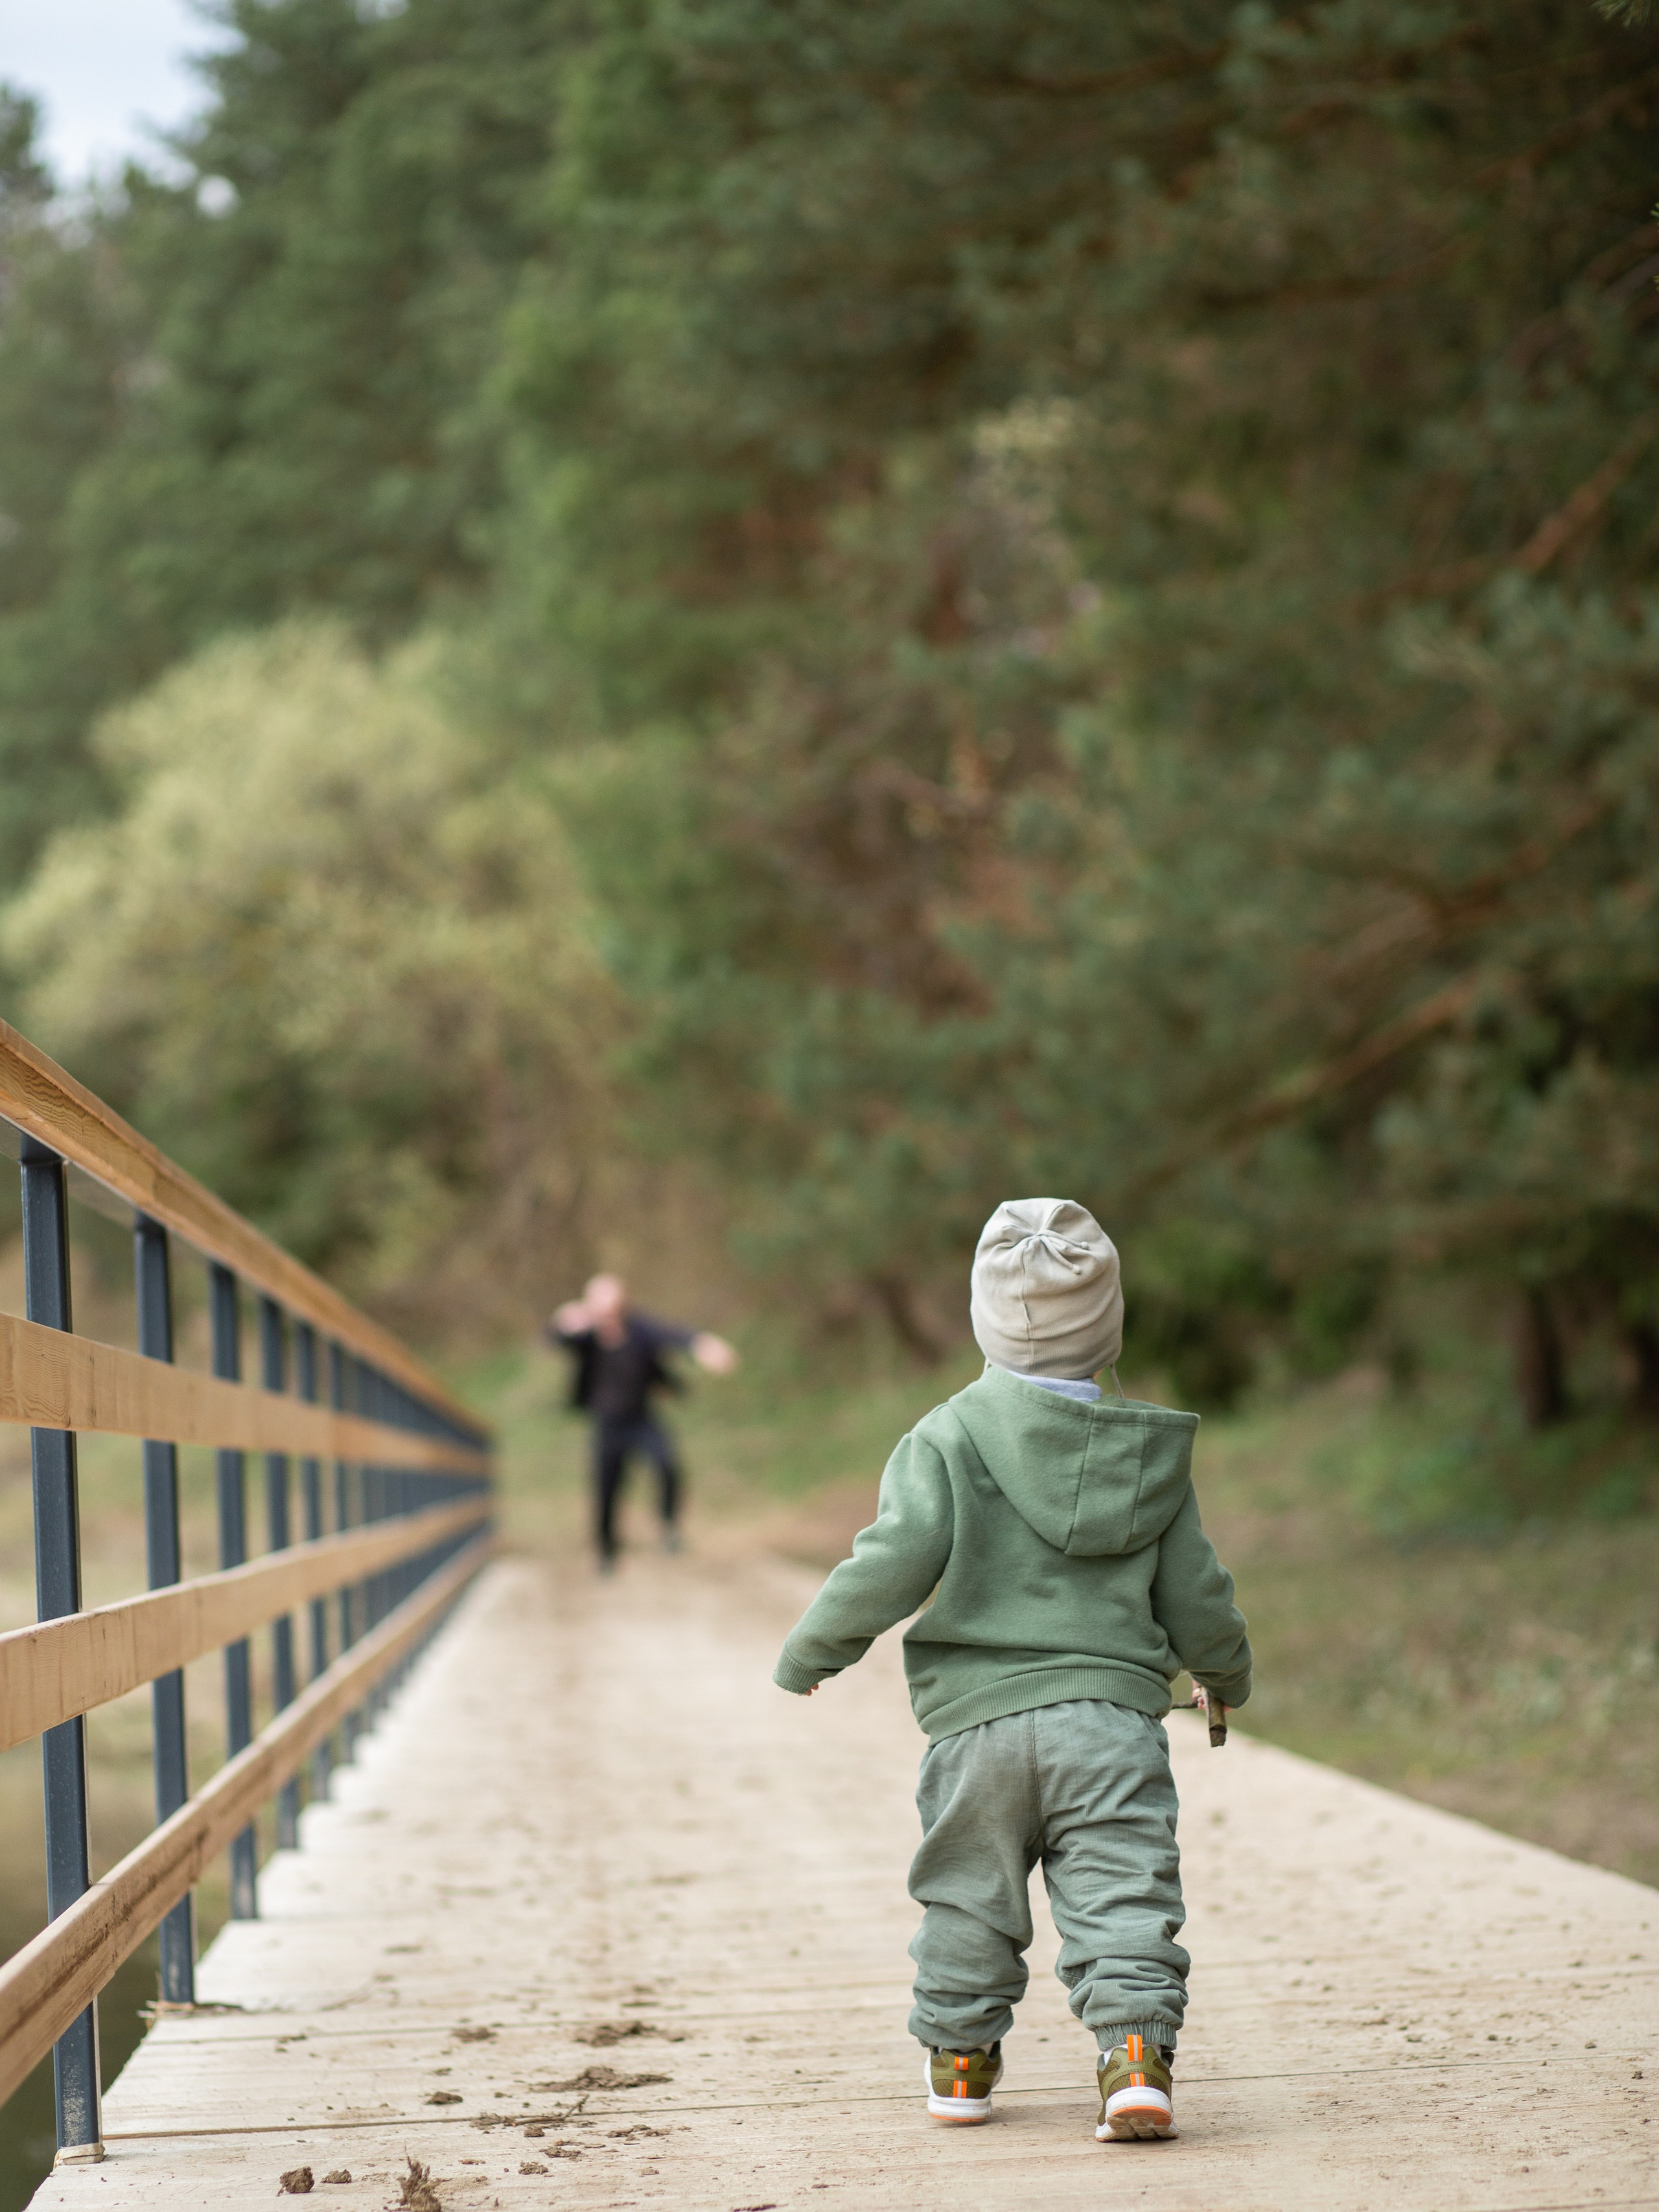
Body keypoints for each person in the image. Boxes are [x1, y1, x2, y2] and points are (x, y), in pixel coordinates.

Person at [771, 1198, 1251, 2144]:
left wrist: (811, 1650)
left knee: (967, 1897)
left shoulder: (946, 1437)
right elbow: (1197, 1588)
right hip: (1111, 1728)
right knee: (1123, 1895)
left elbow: (891, 1559)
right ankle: (1136, 2061)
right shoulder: (1146, 1456)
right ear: (1106, 1324)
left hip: (976, 1730)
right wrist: (1224, 1670)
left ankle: (957, 2061)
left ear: (987, 1318)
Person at [549, 1273, 737, 1568]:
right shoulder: (586, 1338)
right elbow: (556, 1338)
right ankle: (607, 1549)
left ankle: (668, 1527)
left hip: (641, 1418)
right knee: (607, 1487)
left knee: (667, 1464)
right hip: (607, 1424)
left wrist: (705, 1345)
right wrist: (562, 1321)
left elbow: (673, 1335)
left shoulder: (638, 1329)